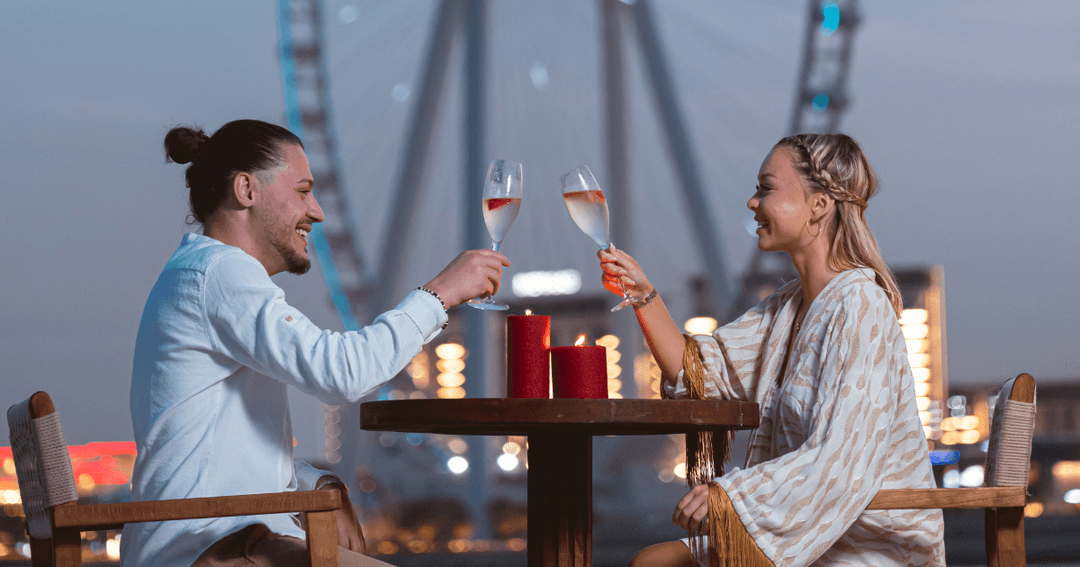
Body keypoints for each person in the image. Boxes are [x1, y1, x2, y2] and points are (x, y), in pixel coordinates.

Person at [122, 119, 509, 567]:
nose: (319, 212)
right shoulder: (220, 274)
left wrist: (315, 483)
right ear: (246, 190)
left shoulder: (201, 274)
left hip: (221, 536)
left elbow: (223, 460)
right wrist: (440, 294)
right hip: (212, 549)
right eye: (303, 191)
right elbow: (341, 374)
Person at [599, 134, 945, 567]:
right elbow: (701, 372)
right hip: (805, 528)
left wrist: (731, 498)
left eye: (765, 188)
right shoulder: (789, 306)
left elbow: (842, 461)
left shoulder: (861, 305)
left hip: (861, 541)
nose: (751, 202)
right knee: (651, 562)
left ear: (819, 205)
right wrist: (643, 295)